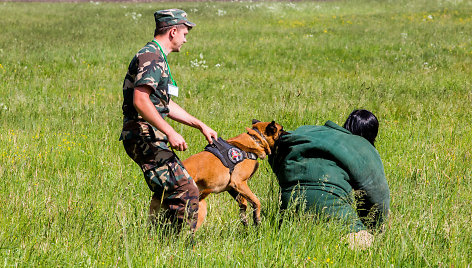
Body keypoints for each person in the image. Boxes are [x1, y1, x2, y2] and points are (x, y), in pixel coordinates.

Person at [120, 9, 217, 232]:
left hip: (146, 133)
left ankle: (157, 242)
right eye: (184, 33)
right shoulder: (151, 56)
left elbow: (163, 104)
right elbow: (141, 101)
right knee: (187, 190)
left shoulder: (157, 57)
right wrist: (170, 132)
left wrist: (200, 125)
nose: (185, 39)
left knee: (170, 190)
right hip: (142, 135)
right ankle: (180, 247)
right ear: (173, 31)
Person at [269, 110, 390, 249]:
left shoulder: (309, 131)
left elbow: (276, 148)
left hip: (287, 217)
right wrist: (374, 229)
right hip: (336, 218)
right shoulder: (361, 146)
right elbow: (378, 197)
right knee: (369, 249)